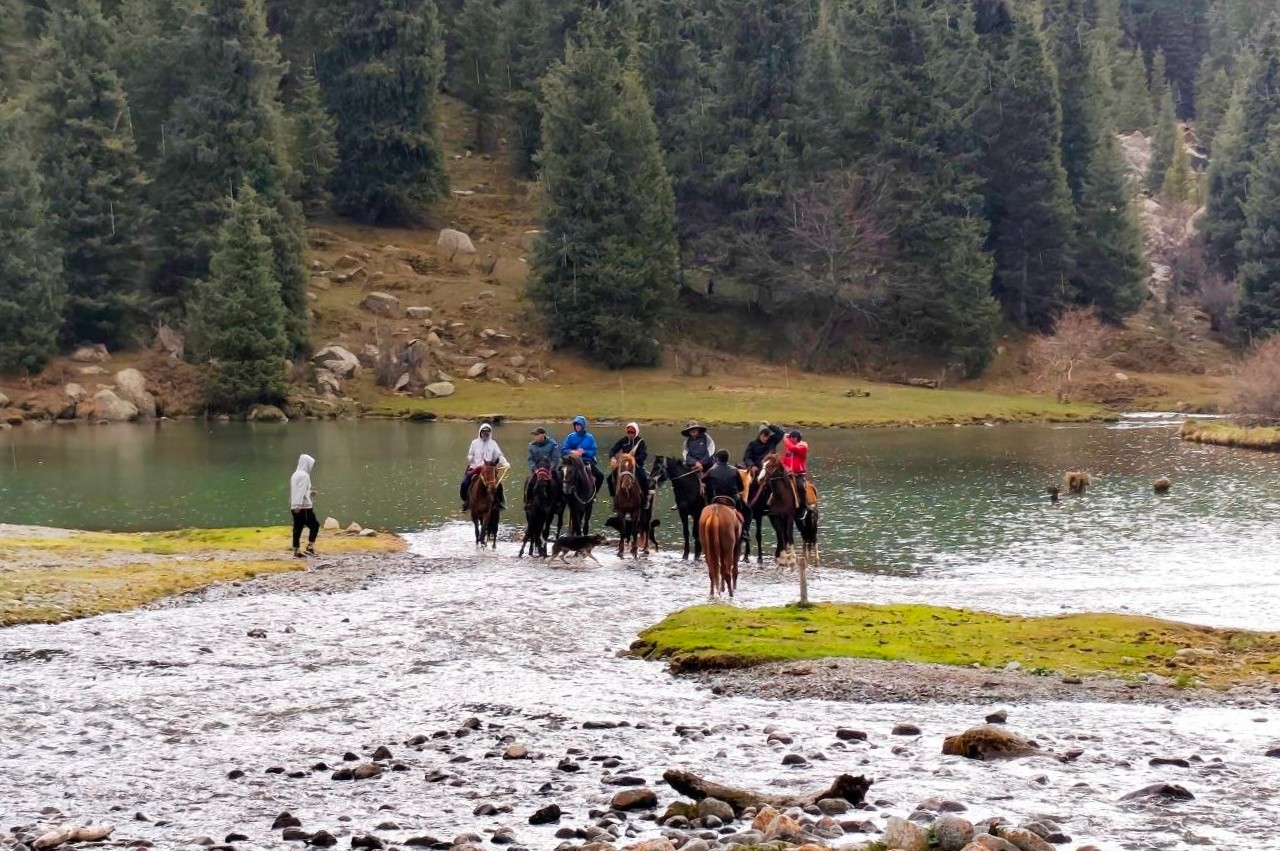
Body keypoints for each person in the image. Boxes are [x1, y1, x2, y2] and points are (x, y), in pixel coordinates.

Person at [703, 449, 750, 544]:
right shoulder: (734, 470)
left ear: (717, 459)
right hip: (732, 499)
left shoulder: (711, 471)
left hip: (716, 499)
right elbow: (741, 487)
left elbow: (705, 484)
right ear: (727, 459)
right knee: (748, 511)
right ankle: (744, 531)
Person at [461, 422, 509, 510]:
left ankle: (500, 502)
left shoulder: (493, 443)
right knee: (465, 482)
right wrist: (470, 458)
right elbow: (470, 454)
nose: (485, 434)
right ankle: (466, 501)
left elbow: (499, 455)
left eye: (487, 432)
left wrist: (505, 463)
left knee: (499, 485)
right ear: (480, 432)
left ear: (490, 433)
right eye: (483, 432)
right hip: (476, 468)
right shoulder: (474, 443)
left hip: (489, 469)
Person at [562, 415, 604, 493]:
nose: (577, 426)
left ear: (583, 426)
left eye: (579, 425)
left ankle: (594, 494)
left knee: (600, 476)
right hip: (572, 462)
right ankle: (562, 498)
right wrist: (572, 452)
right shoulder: (570, 437)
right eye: (576, 425)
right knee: (561, 474)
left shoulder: (590, 437)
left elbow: (593, 451)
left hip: (585, 461)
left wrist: (584, 452)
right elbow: (564, 449)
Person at [607, 421, 649, 497]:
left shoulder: (641, 442)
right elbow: (613, 450)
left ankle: (645, 499)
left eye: (632, 432)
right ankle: (614, 498)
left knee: (644, 478)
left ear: (636, 432)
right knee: (610, 479)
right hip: (623, 466)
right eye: (629, 432)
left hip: (636, 465)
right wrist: (612, 457)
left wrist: (633, 459)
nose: (630, 434)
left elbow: (644, 455)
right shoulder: (623, 440)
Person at [290, 453, 320, 558]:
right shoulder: (305, 476)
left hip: (294, 505)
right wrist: (299, 504)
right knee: (315, 525)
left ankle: (296, 550)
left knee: (297, 528)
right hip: (304, 507)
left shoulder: (295, 474)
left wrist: (311, 493)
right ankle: (310, 547)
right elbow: (301, 490)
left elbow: (299, 490)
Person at [782, 429, 813, 516]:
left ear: (795, 438)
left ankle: (804, 506)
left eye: (790, 438)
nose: (789, 440)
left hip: (798, 474)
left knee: (800, 486)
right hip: (787, 473)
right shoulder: (789, 448)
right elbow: (784, 460)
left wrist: (785, 438)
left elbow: (792, 448)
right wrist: (785, 467)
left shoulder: (803, 446)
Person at [526, 427, 561, 500]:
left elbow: (555, 459)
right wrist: (534, 469)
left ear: (543, 435)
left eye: (537, 435)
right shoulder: (531, 445)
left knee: (559, 482)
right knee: (529, 484)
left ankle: (559, 503)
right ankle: (528, 503)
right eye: (534, 435)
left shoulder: (553, 444)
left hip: (550, 470)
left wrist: (551, 469)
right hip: (537, 470)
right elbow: (530, 459)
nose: (535, 437)